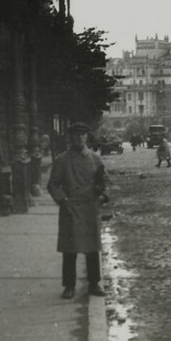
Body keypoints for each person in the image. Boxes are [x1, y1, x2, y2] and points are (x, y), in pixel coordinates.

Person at [47, 122, 109, 299]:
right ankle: (69, 286)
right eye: (76, 136)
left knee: (92, 249)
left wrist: (103, 195)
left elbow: (104, 180)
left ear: (87, 137)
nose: (79, 138)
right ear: (70, 138)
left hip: (90, 207)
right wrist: (63, 200)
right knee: (70, 250)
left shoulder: (95, 159)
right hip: (71, 208)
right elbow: (53, 184)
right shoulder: (62, 160)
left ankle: (94, 284)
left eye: (82, 135)